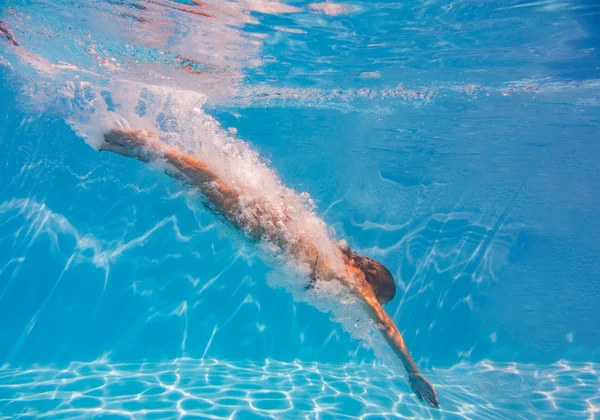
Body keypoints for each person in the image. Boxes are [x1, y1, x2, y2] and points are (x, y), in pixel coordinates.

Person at [100, 129, 440, 408]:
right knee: (209, 182)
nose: (378, 305)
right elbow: (384, 325)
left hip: (276, 229)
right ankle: (142, 141)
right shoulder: (355, 280)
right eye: (381, 297)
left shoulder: (341, 270)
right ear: (374, 285)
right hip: (275, 230)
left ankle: (136, 147)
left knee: (204, 188)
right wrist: (411, 370)